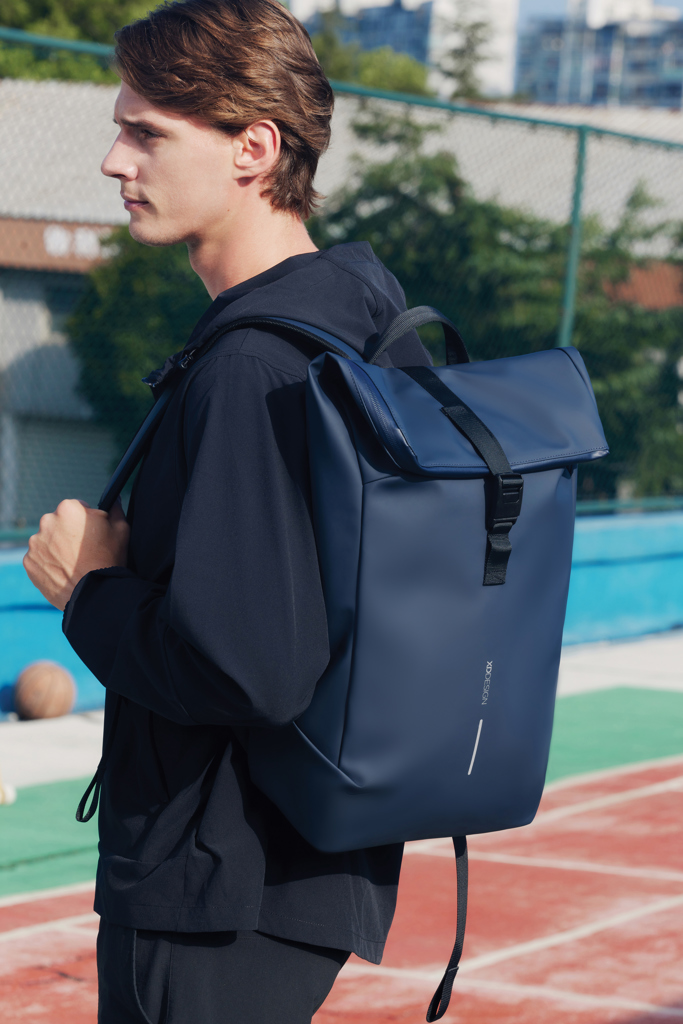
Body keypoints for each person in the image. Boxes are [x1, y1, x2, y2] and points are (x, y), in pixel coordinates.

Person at [23, 1, 431, 1021]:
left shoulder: (251, 365)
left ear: (253, 148)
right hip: (296, 863)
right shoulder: (356, 318)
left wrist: (89, 588)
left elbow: (248, 664)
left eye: (148, 134)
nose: (116, 161)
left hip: (215, 884)